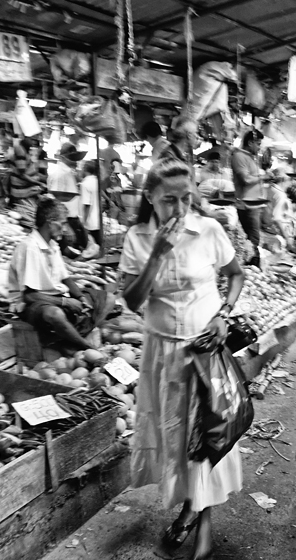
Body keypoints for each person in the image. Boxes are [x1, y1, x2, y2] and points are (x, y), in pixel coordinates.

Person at [120, 158, 245, 560]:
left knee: (206, 435)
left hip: (204, 351)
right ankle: (190, 505)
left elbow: (236, 273)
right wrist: (157, 253)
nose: (179, 208)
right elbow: (133, 299)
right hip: (161, 352)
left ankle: (202, 520)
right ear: (150, 198)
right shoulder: (137, 238)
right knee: (176, 438)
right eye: (169, 200)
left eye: (186, 198)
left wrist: (225, 314)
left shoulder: (209, 229)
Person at [7, 197, 110, 351]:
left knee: (109, 299)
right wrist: (65, 302)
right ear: (50, 222)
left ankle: (70, 335)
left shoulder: (53, 245)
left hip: (55, 297)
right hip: (32, 304)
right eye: (62, 224)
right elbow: (29, 296)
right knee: (55, 314)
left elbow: (66, 278)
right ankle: (83, 345)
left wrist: (81, 298)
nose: (64, 229)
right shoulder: (29, 248)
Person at [231, 129, 272, 268]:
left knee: (252, 238)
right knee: (253, 238)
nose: (259, 147)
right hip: (247, 206)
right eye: (258, 144)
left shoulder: (250, 157)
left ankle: (250, 267)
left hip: (255, 205)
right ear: (250, 143)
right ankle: (251, 268)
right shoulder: (239, 156)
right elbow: (246, 179)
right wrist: (264, 177)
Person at [47, 142, 88, 259]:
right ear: (65, 158)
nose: (76, 161)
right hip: (66, 221)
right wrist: (65, 227)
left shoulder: (68, 172)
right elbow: (56, 202)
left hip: (73, 219)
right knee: (68, 257)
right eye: (73, 158)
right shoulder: (59, 175)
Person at [80, 160, 101, 245]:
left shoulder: (85, 184)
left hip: (91, 221)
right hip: (99, 220)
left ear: (85, 169)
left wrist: (83, 222)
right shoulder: (97, 181)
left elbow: (87, 205)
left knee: (92, 246)